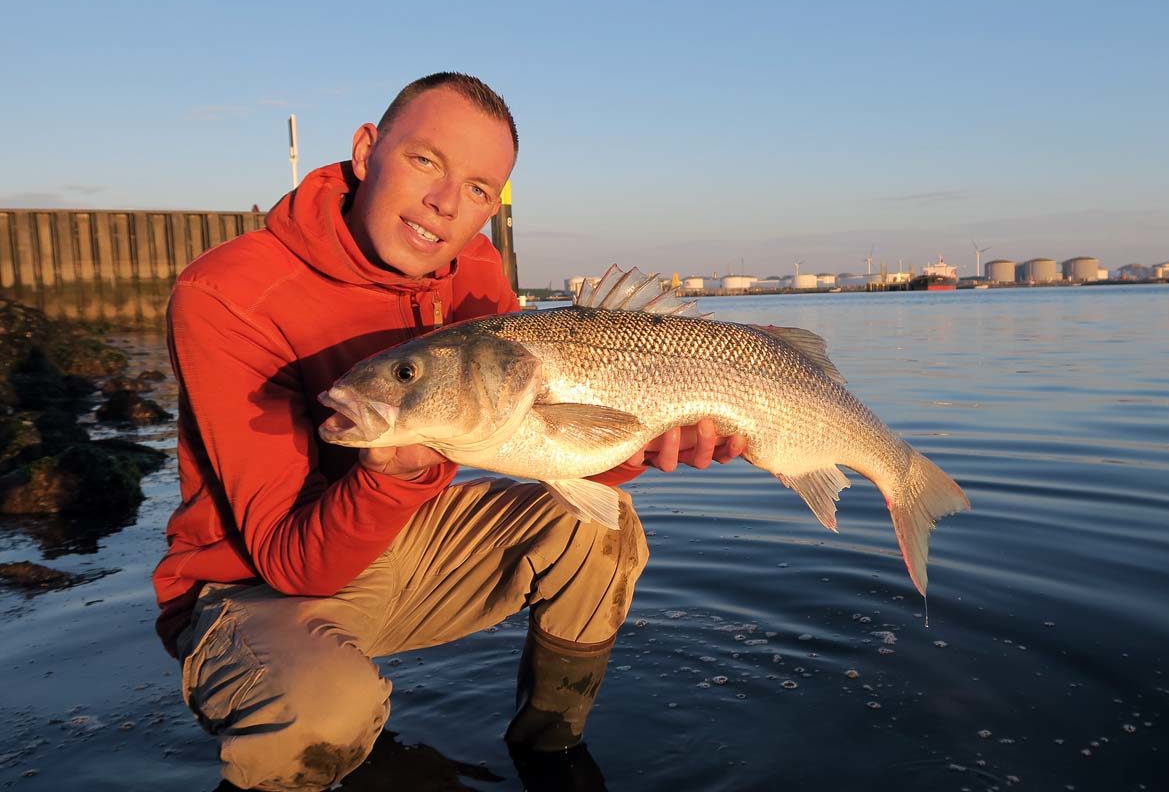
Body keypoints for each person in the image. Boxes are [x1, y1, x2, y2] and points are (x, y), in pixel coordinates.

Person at [155, 72, 745, 791]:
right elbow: (292, 562)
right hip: (251, 584)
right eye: (425, 161)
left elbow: (536, 444)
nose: (444, 203)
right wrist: (397, 468)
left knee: (601, 525)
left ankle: (551, 751)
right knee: (320, 713)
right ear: (368, 149)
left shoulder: (474, 271)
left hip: (398, 539)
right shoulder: (231, 294)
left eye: (478, 190)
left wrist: (636, 449)